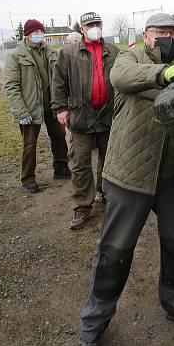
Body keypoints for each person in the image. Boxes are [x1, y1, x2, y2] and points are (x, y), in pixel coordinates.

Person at [77, 13, 174, 346]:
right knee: (115, 251)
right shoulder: (131, 57)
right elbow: (119, 77)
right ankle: (93, 327)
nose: (167, 37)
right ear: (146, 35)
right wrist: (164, 74)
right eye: (160, 32)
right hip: (130, 175)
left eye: (172, 33)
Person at [51, 12, 119, 230]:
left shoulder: (114, 51)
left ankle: (106, 194)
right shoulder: (68, 53)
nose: (94, 27)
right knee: (80, 162)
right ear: (82, 28)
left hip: (108, 116)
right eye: (90, 24)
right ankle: (83, 205)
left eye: (97, 23)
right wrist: (61, 108)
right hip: (80, 117)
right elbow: (58, 83)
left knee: (109, 161)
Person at [4, 19, 70, 193]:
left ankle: (61, 167)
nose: (39, 35)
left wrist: (62, 103)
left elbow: (61, 79)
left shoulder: (52, 52)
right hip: (29, 107)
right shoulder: (16, 56)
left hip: (52, 104)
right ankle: (28, 178)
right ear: (27, 35)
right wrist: (20, 111)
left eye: (41, 31)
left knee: (59, 135)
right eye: (35, 32)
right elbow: (11, 86)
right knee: (29, 144)